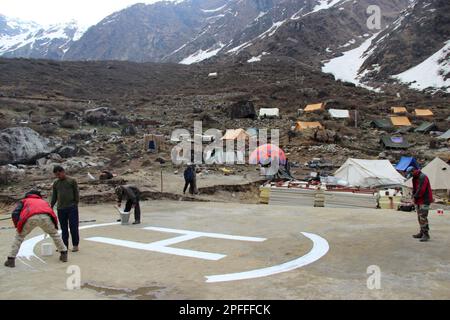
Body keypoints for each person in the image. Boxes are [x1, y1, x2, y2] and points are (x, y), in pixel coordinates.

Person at [4, 190, 68, 268]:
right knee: (55, 235)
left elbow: (15, 213)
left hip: (30, 218)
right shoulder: (43, 201)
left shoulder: (24, 201)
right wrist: (55, 226)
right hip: (46, 217)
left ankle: (11, 259)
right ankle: (64, 254)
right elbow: (52, 213)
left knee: (19, 237)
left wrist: (18, 225)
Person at [51, 166, 80, 252]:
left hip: (72, 208)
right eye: (56, 175)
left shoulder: (72, 181)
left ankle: (75, 245)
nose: (58, 176)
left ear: (63, 172)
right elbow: (54, 195)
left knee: (73, 226)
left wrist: (75, 203)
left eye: (59, 174)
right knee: (64, 228)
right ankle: (64, 246)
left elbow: (76, 193)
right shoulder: (56, 183)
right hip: (61, 209)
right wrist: (51, 205)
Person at [407, 166, 433, 242]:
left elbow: (421, 189)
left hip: (425, 200)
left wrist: (414, 197)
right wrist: (413, 195)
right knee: (419, 217)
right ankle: (421, 232)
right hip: (418, 200)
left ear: (414, 171)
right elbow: (415, 188)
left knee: (423, 217)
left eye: (411, 174)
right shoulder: (414, 178)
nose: (411, 176)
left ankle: (426, 234)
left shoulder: (423, 177)